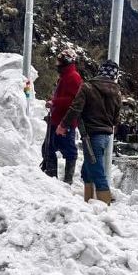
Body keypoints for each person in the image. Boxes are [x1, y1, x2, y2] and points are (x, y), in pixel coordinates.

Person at [56, 60, 122, 205]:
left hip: (91, 135)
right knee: (88, 169)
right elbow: (116, 119)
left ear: (100, 71)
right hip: (105, 136)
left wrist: (63, 125)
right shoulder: (117, 93)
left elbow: (75, 109)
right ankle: (89, 200)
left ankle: (105, 206)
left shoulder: (87, 87)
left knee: (97, 171)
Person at [43, 49, 82, 184]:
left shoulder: (73, 77)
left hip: (65, 122)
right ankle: (52, 178)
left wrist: (54, 102)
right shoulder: (66, 76)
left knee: (69, 151)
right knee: (48, 148)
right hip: (56, 120)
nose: (57, 64)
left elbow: (74, 100)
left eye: (59, 61)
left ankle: (67, 181)